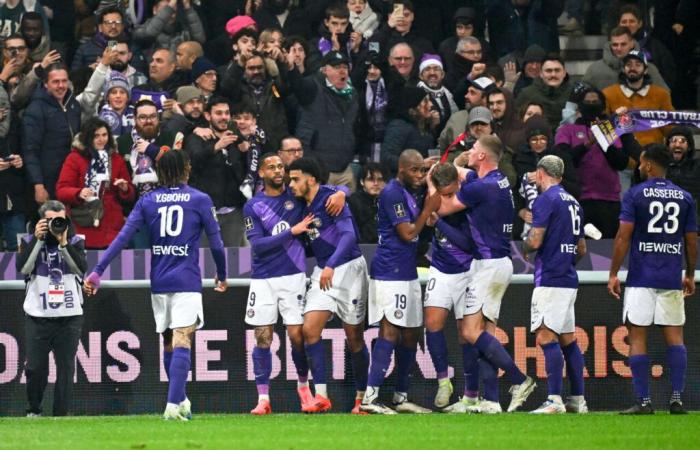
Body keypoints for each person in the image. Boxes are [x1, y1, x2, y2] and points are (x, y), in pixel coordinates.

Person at [84, 149, 229, 421]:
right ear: (186, 168)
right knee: (183, 337)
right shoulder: (200, 199)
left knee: (168, 342)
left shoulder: (148, 201)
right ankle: (172, 406)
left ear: (160, 172)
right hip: (186, 279)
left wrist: (98, 271)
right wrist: (222, 273)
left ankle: (181, 399)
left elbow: (122, 238)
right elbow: (217, 244)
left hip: (159, 281)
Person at [432, 135, 536, 413]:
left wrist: (433, 181)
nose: (471, 150)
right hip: (497, 263)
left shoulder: (480, 189)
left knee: (468, 331)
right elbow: (466, 173)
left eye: (475, 148)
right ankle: (490, 401)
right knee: (485, 332)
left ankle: (519, 379)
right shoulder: (498, 179)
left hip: (488, 265)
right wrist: (456, 164)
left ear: (482, 157)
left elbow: (443, 207)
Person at [242, 153, 345, 415]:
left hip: (293, 276)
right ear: (262, 173)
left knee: (297, 336)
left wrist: (342, 191)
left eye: (281, 166)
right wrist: (292, 231)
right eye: (272, 167)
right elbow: (258, 245)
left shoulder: (295, 197)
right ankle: (263, 398)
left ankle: (303, 388)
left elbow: (325, 189)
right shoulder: (253, 206)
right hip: (263, 278)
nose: (278, 171)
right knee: (262, 336)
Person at [608, 144, 696, 415]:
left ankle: (643, 402)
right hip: (671, 275)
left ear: (647, 165)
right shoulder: (685, 197)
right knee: (675, 338)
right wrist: (690, 273)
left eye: (641, 161)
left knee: (637, 336)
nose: (638, 165)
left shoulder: (635, 194)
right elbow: (691, 240)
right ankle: (677, 399)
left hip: (641, 276)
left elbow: (623, 237)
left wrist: (613, 273)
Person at [288, 157, 370, 414]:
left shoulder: (331, 199)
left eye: (295, 179)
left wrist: (332, 265)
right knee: (309, 329)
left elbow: (349, 236)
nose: (291, 184)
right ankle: (321, 396)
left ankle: (361, 398)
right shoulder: (303, 207)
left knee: (354, 337)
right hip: (324, 270)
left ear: (311, 179)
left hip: (348, 268)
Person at [360, 149, 440, 415]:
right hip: (389, 271)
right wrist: (429, 208)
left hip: (406, 271)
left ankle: (399, 397)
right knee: (390, 331)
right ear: (402, 169)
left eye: (421, 170)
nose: (419, 175)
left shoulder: (408, 190)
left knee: (411, 334)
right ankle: (370, 398)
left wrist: (428, 174)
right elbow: (406, 233)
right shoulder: (393, 192)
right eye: (414, 170)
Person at [521, 155, 588, 414]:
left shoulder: (545, 199)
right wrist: (566, 261)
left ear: (540, 174)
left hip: (550, 277)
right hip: (568, 278)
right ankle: (577, 400)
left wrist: (525, 248)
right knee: (568, 339)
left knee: (546, 336)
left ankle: (554, 400)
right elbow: (581, 248)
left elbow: (535, 241)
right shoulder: (574, 202)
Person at [17, 200, 87, 416]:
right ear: (41, 221)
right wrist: (37, 241)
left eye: (60, 219)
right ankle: (34, 410)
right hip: (38, 314)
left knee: (66, 370)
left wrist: (64, 243)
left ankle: (61, 415)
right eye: (51, 220)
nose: (57, 223)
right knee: (35, 368)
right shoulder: (29, 240)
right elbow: (23, 268)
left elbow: (80, 269)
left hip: (69, 315)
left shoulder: (75, 239)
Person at [423, 162, 478, 412]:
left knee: (465, 333)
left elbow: (467, 243)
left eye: (450, 194)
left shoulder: (469, 200)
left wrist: (439, 223)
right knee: (432, 323)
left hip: (468, 270)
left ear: (458, 184)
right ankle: (443, 381)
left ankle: (470, 392)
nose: (446, 199)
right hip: (441, 267)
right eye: (442, 194)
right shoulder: (434, 196)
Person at [55, 118, 135, 249]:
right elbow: (61, 190)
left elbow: (130, 194)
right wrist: (78, 193)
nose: (101, 139)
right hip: (83, 225)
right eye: (96, 136)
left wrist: (125, 189)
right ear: (88, 137)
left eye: (104, 135)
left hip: (112, 228)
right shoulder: (74, 158)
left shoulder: (116, 159)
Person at [289, 50, 359, 191]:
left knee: (348, 210)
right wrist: (291, 69)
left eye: (344, 67)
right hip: (319, 169)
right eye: (336, 67)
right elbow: (298, 86)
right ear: (324, 70)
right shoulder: (313, 87)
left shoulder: (353, 93)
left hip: (344, 168)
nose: (342, 71)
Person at [184, 97, 248, 247]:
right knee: (205, 261)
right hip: (205, 213)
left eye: (226, 113)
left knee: (233, 262)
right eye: (218, 113)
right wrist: (215, 147)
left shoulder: (237, 140)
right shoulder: (197, 138)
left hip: (233, 212)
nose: (224, 117)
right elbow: (192, 161)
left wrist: (246, 151)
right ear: (207, 116)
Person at [22, 63, 81, 204]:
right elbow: (30, 151)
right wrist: (38, 185)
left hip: (72, 178)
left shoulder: (74, 105)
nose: (61, 85)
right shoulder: (35, 109)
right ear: (46, 84)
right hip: (48, 180)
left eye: (64, 81)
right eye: (55, 81)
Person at [602, 50, 674, 147]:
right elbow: (604, 129)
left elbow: (670, 127)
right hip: (623, 155)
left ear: (645, 70)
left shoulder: (661, 94)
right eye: (629, 64)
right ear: (623, 69)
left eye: (638, 64)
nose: (633, 68)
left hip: (653, 153)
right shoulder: (608, 93)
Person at [582, 27, 668, 92]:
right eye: (615, 45)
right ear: (610, 45)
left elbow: (664, 94)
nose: (619, 48)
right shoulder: (594, 70)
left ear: (631, 44)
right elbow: (581, 97)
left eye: (623, 44)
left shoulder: (649, 69)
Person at [381, 86, 437, 177]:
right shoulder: (399, 126)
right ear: (413, 108)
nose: (430, 105)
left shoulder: (424, 125)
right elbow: (387, 158)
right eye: (425, 101)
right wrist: (418, 164)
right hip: (400, 181)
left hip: (420, 179)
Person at [515, 56, 573, 129]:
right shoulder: (526, 94)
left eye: (557, 70)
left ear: (564, 73)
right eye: (548, 71)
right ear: (541, 74)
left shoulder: (575, 94)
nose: (553, 74)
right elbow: (517, 121)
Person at [71, 6, 125, 71]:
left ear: (122, 26)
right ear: (100, 27)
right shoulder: (84, 49)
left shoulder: (130, 46)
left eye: (118, 22)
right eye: (108, 23)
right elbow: (74, 76)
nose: (113, 26)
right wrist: (90, 70)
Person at [348, 162, 387, 244]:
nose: (376, 183)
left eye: (380, 180)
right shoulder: (353, 202)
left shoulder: (389, 201)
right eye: (371, 179)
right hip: (361, 249)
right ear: (362, 181)